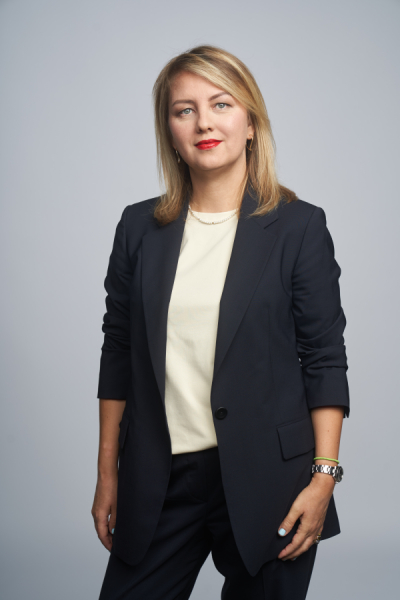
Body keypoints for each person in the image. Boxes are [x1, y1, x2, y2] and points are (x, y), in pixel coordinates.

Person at [92, 44, 350, 600]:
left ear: (251, 123)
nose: (203, 122)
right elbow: (118, 352)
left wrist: (323, 477)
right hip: (160, 478)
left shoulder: (299, 227)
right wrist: (107, 472)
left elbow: (324, 358)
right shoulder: (138, 228)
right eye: (184, 110)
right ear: (170, 130)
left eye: (221, 104)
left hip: (272, 481)